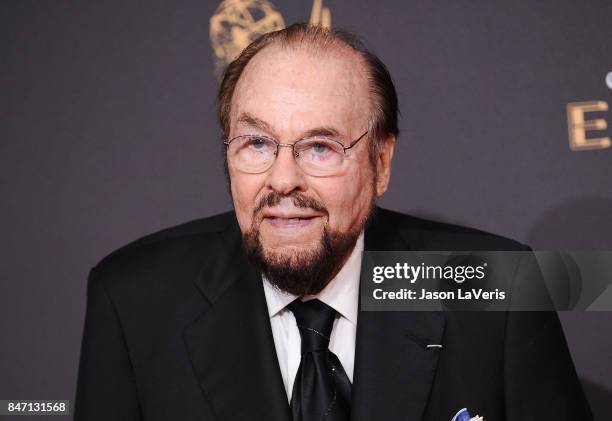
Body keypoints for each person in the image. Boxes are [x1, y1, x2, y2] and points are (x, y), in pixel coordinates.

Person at [74, 23, 592, 421]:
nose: (282, 181)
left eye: (319, 147)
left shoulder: (497, 285)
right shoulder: (134, 298)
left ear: (381, 163)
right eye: (256, 143)